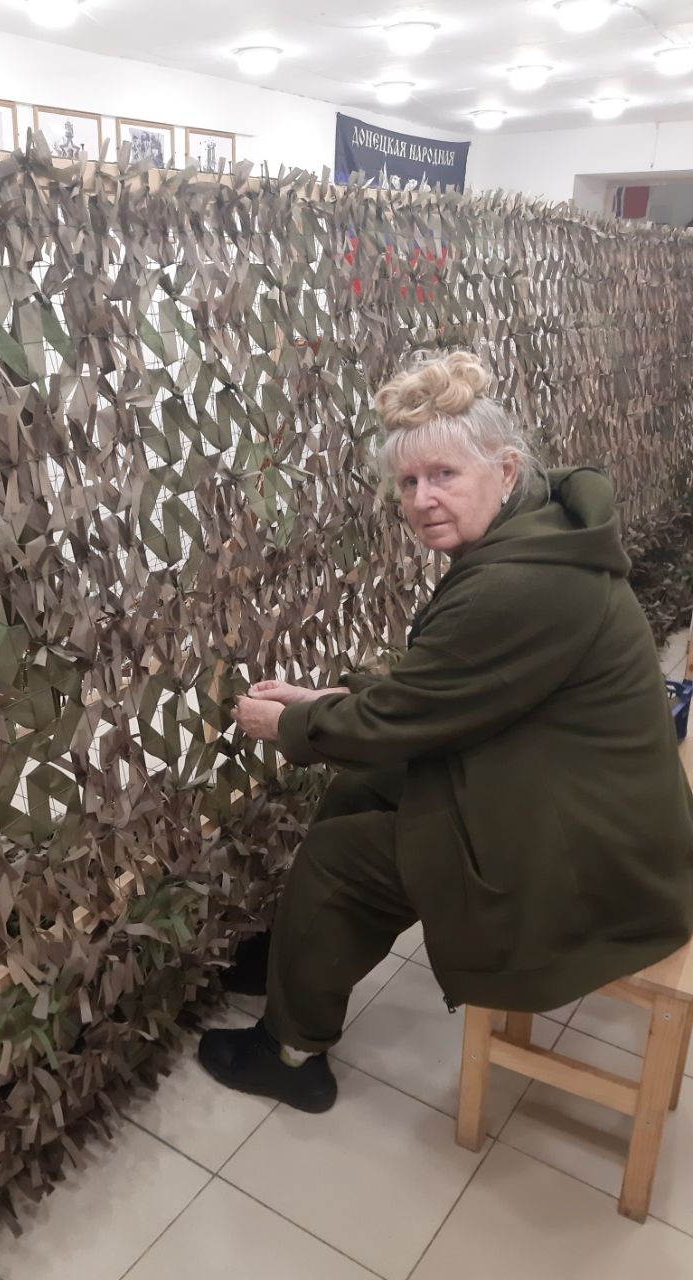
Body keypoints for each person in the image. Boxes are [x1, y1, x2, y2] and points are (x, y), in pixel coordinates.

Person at [198, 351, 693, 1113]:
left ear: (504, 468)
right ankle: (297, 959)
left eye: (443, 475)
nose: (423, 499)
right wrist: (329, 699)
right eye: (408, 482)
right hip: (583, 801)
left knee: (338, 859)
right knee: (363, 786)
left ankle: (291, 1054)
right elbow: (453, 690)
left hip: (590, 860)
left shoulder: (519, 582)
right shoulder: (542, 532)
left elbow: (409, 713)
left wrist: (289, 722)